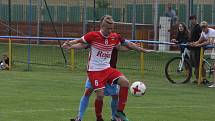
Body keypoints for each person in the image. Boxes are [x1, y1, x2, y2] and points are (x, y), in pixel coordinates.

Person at [63, 15, 152, 121]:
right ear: (102, 27)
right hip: (94, 71)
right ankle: (96, 118)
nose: (110, 31)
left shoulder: (114, 37)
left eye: (111, 29)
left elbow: (127, 44)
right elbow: (81, 42)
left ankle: (119, 113)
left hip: (108, 69)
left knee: (125, 83)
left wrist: (142, 50)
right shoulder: (93, 35)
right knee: (99, 95)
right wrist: (71, 44)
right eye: (108, 29)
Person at [190, 21, 215, 87]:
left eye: (204, 27)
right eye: (202, 27)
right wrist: (194, 43)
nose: (203, 29)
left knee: (214, 66)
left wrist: (199, 45)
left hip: (213, 47)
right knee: (213, 66)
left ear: (207, 26)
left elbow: (209, 41)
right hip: (213, 49)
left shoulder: (212, 31)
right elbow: (200, 40)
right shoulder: (203, 32)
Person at [188, 15, 208, 84]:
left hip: (198, 49)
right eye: (190, 20)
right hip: (192, 48)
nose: (191, 21)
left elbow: (202, 37)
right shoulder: (192, 27)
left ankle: (204, 78)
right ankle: (197, 78)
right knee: (195, 64)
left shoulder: (199, 27)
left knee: (200, 64)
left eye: (192, 19)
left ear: (195, 19)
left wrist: (199, 44)